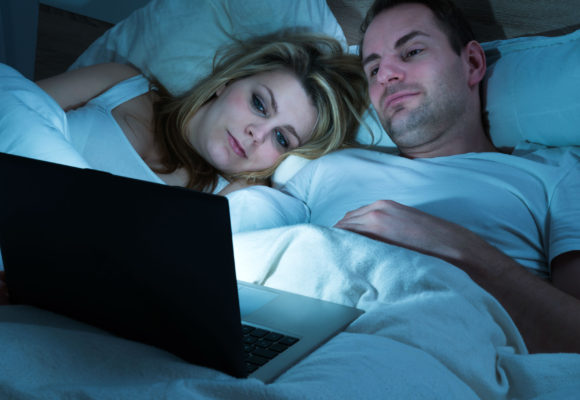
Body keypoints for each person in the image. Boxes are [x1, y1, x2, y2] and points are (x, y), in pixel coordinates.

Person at [279, 0, 580, 354]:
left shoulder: (556, 174)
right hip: (296, 350)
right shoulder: (324, 169)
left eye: (411, 51)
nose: (386, 75)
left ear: (472, 63)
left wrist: (445, 243)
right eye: (373, 69)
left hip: (444, 357)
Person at [33, 30, 369, 195]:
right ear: (228, 81)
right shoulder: (119, 84)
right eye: (259, 104)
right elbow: (11, 106)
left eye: (281, 138)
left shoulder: (234, 197)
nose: (258, 132)